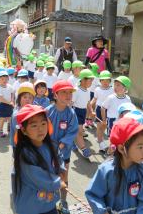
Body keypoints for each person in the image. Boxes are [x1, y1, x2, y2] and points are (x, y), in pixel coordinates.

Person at [85, 117, 143, 214]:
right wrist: (101, 211)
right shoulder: (106, 170)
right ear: (121, 149)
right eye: (140, 147)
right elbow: (93, 194)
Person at [13, 104, 66, 214]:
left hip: (49, 204)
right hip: (30, 207)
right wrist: (57, 182)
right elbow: (36, 176)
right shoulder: (24, 154)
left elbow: (59, 158)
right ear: (23, 130)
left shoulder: (52, 146)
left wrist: (61, 170)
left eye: (43, 123)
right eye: (34, 125)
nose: (40, 129)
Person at [46, 80, 78, 213]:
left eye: (70, 92)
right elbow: (42, 129)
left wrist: (61, 144)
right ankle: (50, 201)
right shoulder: (47, 111)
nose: (68, 95)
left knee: (64, 177)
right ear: (55, 95)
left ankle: (63, 201)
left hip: (64, 152)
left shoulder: (71, 113)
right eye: (64, 92)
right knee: (49, 176)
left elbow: (72, 131)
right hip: (48, 152)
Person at [72, 69, 95, 158]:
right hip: (75, 111)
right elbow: (71, 103)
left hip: (83, 112)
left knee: (77, 130)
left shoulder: (88, 91)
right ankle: (84, 149)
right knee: (80, 131)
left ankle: (72, 142)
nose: (91, 82)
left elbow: (88, 102)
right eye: (90, 80)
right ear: (83, 80)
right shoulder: (76, 90)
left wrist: (91, 111)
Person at [90, 70, 114, 152]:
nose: (105, 82)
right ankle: (101, 143)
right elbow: (95, 98)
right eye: (103, 80)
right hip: (99, 109)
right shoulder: (97, 89)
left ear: (110, 81)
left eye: (107, 80)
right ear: (100, 81)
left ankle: (100, 138)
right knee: (99, 127)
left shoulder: (112, 89)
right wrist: (90, 105)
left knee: (104, 126)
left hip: (109, 110)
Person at [10, 82, 35, 147]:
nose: (27, 100)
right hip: (18, 143)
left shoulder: (32, 110)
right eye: (25, 97)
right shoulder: (17, 114)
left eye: (30, 98)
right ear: (19, 98)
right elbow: (19, 132)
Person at [0, 71, 14, 138]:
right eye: (2, 79)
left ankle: (9, 129)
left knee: (10, 118)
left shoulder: (9, 86)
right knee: (2, 119)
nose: (4, 80)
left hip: (9, 105)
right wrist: (9, 103)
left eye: (6, 79)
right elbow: (0, 98)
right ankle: (0, 131)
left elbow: (12, 93)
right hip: (2, 105)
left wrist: (12, 101)